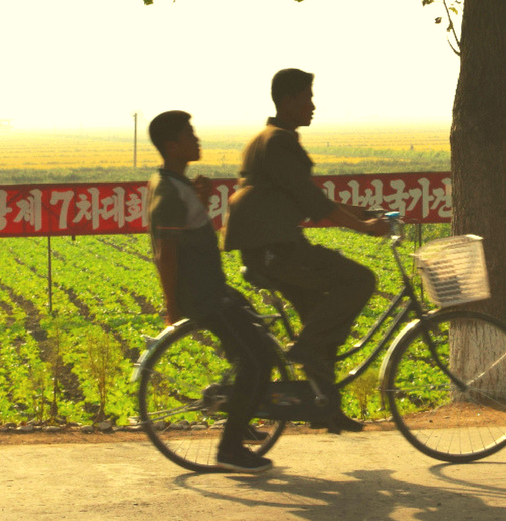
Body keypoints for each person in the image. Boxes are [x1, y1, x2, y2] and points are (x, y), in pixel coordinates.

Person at [223, 68, 388, 434]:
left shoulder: (268, 138)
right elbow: (314, 204)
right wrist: (365, 228)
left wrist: (359, 212)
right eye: (307, 98)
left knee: (319, 319)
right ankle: (307, 350)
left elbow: (307, 198)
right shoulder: (280, 141)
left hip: (272, 248)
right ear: (288, 101)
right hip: (276, 251)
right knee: (360, 279)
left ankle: (324, 407)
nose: (313, 106)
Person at [146, 110, 276, 473]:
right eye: (189, 134)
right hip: (203, 296)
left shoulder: (175, 182)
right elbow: (165, 252)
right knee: (258, 360)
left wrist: (201, 198)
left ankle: (241, 409)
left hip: (213, 287)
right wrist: (172, 305)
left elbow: (189, 230)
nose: (196, 139)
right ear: (173, 145)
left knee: (254, 341)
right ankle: (230, 449)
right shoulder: (170, 190)